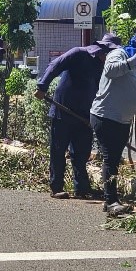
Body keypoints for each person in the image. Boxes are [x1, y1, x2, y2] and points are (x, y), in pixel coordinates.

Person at [34, 33, 121, 200]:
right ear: (103, 50)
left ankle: (81, 188)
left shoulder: (104, 66)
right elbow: (55, 65)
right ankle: (56, 187)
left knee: (81, 153)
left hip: (85, 115)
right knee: (58, 151)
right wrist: (42, 86)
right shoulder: (79, 53)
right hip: (63, 111)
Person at [90, 34, 136, 216]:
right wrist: (132, 61)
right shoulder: (118, 55)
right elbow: (110, 71)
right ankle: (111, 201)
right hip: (106, 116)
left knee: (114, 159)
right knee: (110, 158)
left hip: (122, 120)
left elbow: (133, 95)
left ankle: (110, 200)